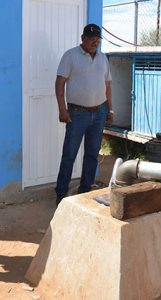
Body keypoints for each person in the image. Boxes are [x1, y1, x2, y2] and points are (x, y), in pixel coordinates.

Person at [54, 24, 113, 205]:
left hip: (99, 112)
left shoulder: (103, 58)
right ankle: (61, 195)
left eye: (97, 39)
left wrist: (110, 110)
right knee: (69, 155)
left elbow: (107, 85)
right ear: (83, 38)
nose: (95, 42)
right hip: (77, 113)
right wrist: (62, 110)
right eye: (91, 39)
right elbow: (60, 83)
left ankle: (85, 191)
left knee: (92, 155)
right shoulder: (70, 56)